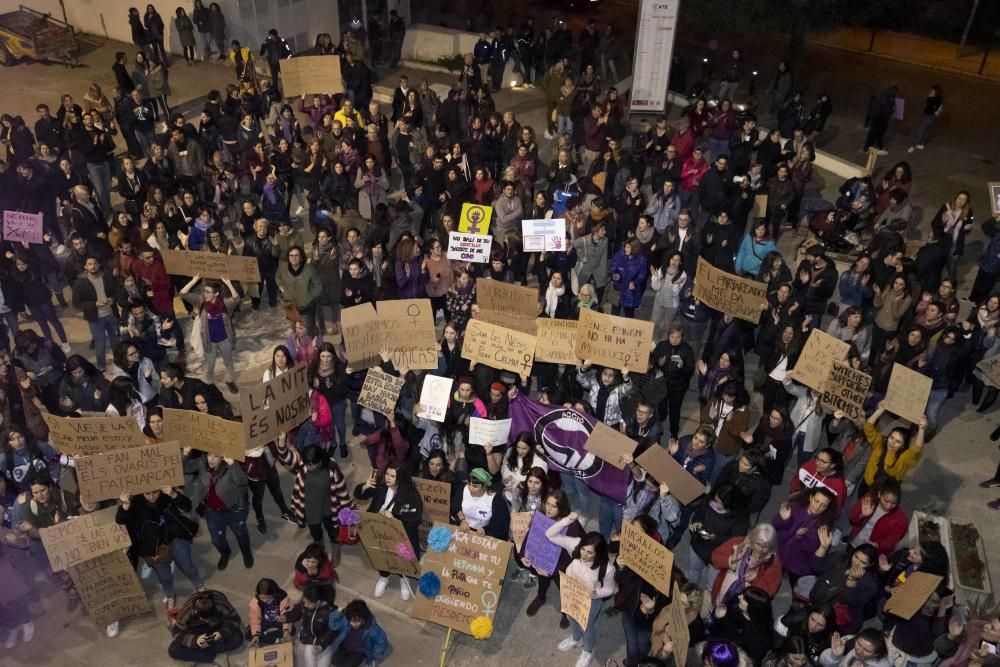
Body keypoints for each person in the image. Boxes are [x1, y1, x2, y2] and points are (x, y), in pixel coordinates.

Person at [546, 512, 617, 667]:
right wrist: (568, 520)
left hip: (590, 601)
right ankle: (575, 639)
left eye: (589, 552)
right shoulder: (576, 545)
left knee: (587, 626)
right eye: (583, 549)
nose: (583, 554)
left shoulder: (607, 569)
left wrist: (597, 593)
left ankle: (588, 650)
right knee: (571, 618)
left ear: (598, 553)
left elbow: (610, 590)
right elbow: (550, 534)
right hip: (570, 593)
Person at [116, 486, 204, 610]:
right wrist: (125, 505)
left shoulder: (167, 494)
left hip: (175, 537)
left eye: (155, 492)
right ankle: (170, 595)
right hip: (152, 546)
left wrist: (174, 494)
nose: (152, 496)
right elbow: (120, 521)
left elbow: (187, 506)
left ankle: (199, 586)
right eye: (147, 493)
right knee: (164, 577)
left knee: (187, 566)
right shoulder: (135, 504)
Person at [354, 462, 422, 599]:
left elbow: (415, 519)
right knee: (381, 554)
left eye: (392, 476)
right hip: (377, 530)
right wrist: (365, 486)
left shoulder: (411, 494)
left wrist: (396, 518)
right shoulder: (381, 487)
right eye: (387, 474)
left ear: (401, 478)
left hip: (401, 535)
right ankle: (384, 576)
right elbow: (361, 496)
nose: (388, 478)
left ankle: (404, 578)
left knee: (402, 558)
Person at [190, 452, 254, 570]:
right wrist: (185, 454)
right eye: (209, 455)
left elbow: (242, 481)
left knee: (241, 533)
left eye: (216, 456)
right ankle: (225, 553)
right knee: (216, 539)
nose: (212, 459)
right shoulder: (202, 465)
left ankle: (246, 553)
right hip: (213, 510)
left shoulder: (230, 467)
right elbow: (186, 468)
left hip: (233, 509)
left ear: (223, 457)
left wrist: (232, 464)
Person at [179, 276, 240, 393]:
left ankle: (230, 380)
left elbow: (236, 299)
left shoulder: (225, 304)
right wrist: (193, 281)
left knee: (228, 362)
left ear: (216, 294)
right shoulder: (201, 301)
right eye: (204, 291)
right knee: (210, 364)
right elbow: (183, 294)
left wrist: (229, 283)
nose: (205, 294)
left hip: (225, 340)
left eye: (208, 292)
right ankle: (209, 381)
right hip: (209, 341)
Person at [167, 590, 243, 662]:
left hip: (217, 627)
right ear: (196, 611)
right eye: (203, 619)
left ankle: (205, 650)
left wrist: (221, 633)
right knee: (174, 650)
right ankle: (211, 655)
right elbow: (176, 632)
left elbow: (234, 619)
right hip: (197, 631)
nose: (207, 621)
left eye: (209, 618)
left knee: (238, 639)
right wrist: (196, 640)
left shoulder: (220, 604)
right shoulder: (188, 610)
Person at [327, 599, 390, 666]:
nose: (354, 624)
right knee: (334, 661)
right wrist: (339, 610)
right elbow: (333, 625)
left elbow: (382, 642)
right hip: (345, 646)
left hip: (359, 651)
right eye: (351, 621)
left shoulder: (373, 629)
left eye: (357, 621)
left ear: (364, 618)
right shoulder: (346, 620)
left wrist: (373, 656)